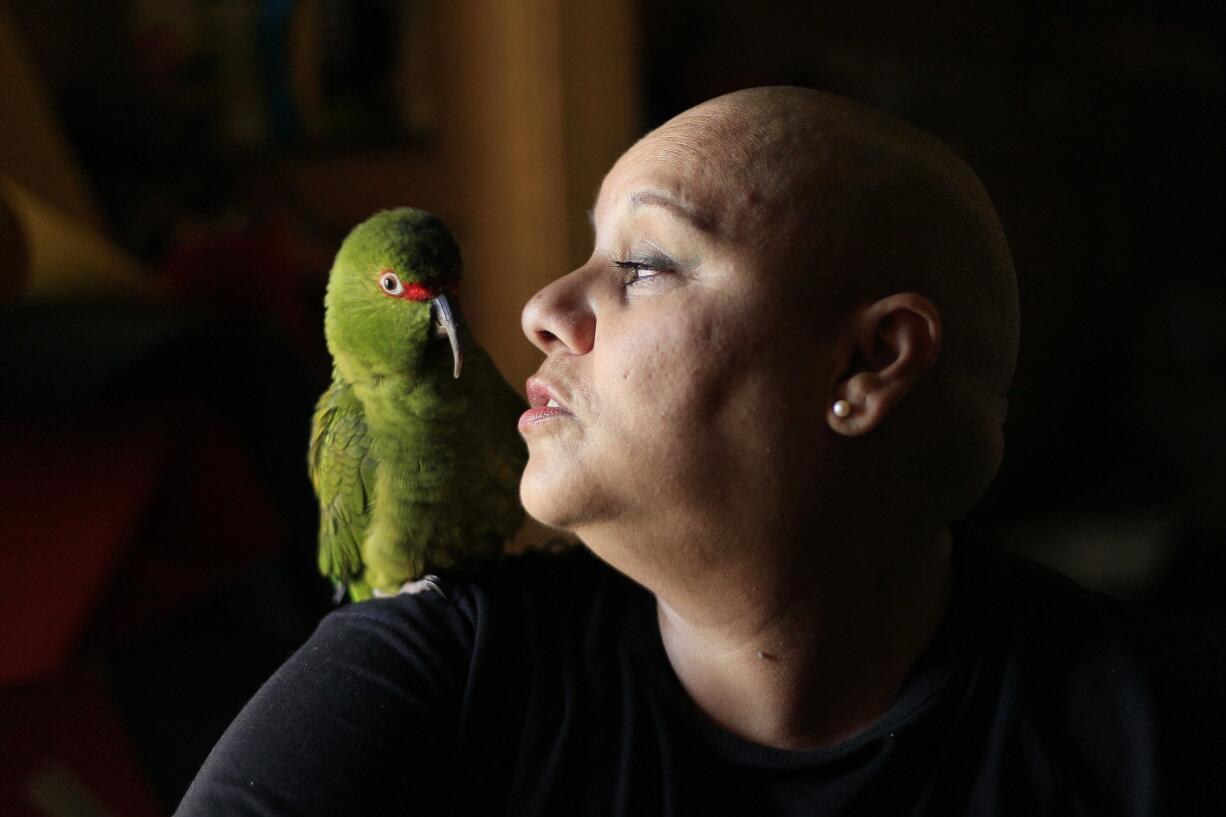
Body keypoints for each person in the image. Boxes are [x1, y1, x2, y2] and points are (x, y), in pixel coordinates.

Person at [176, 87, 1221, 816]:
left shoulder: (1147, 734)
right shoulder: (422, 672)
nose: (541, 308)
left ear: (868, 365)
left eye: (640, 264)